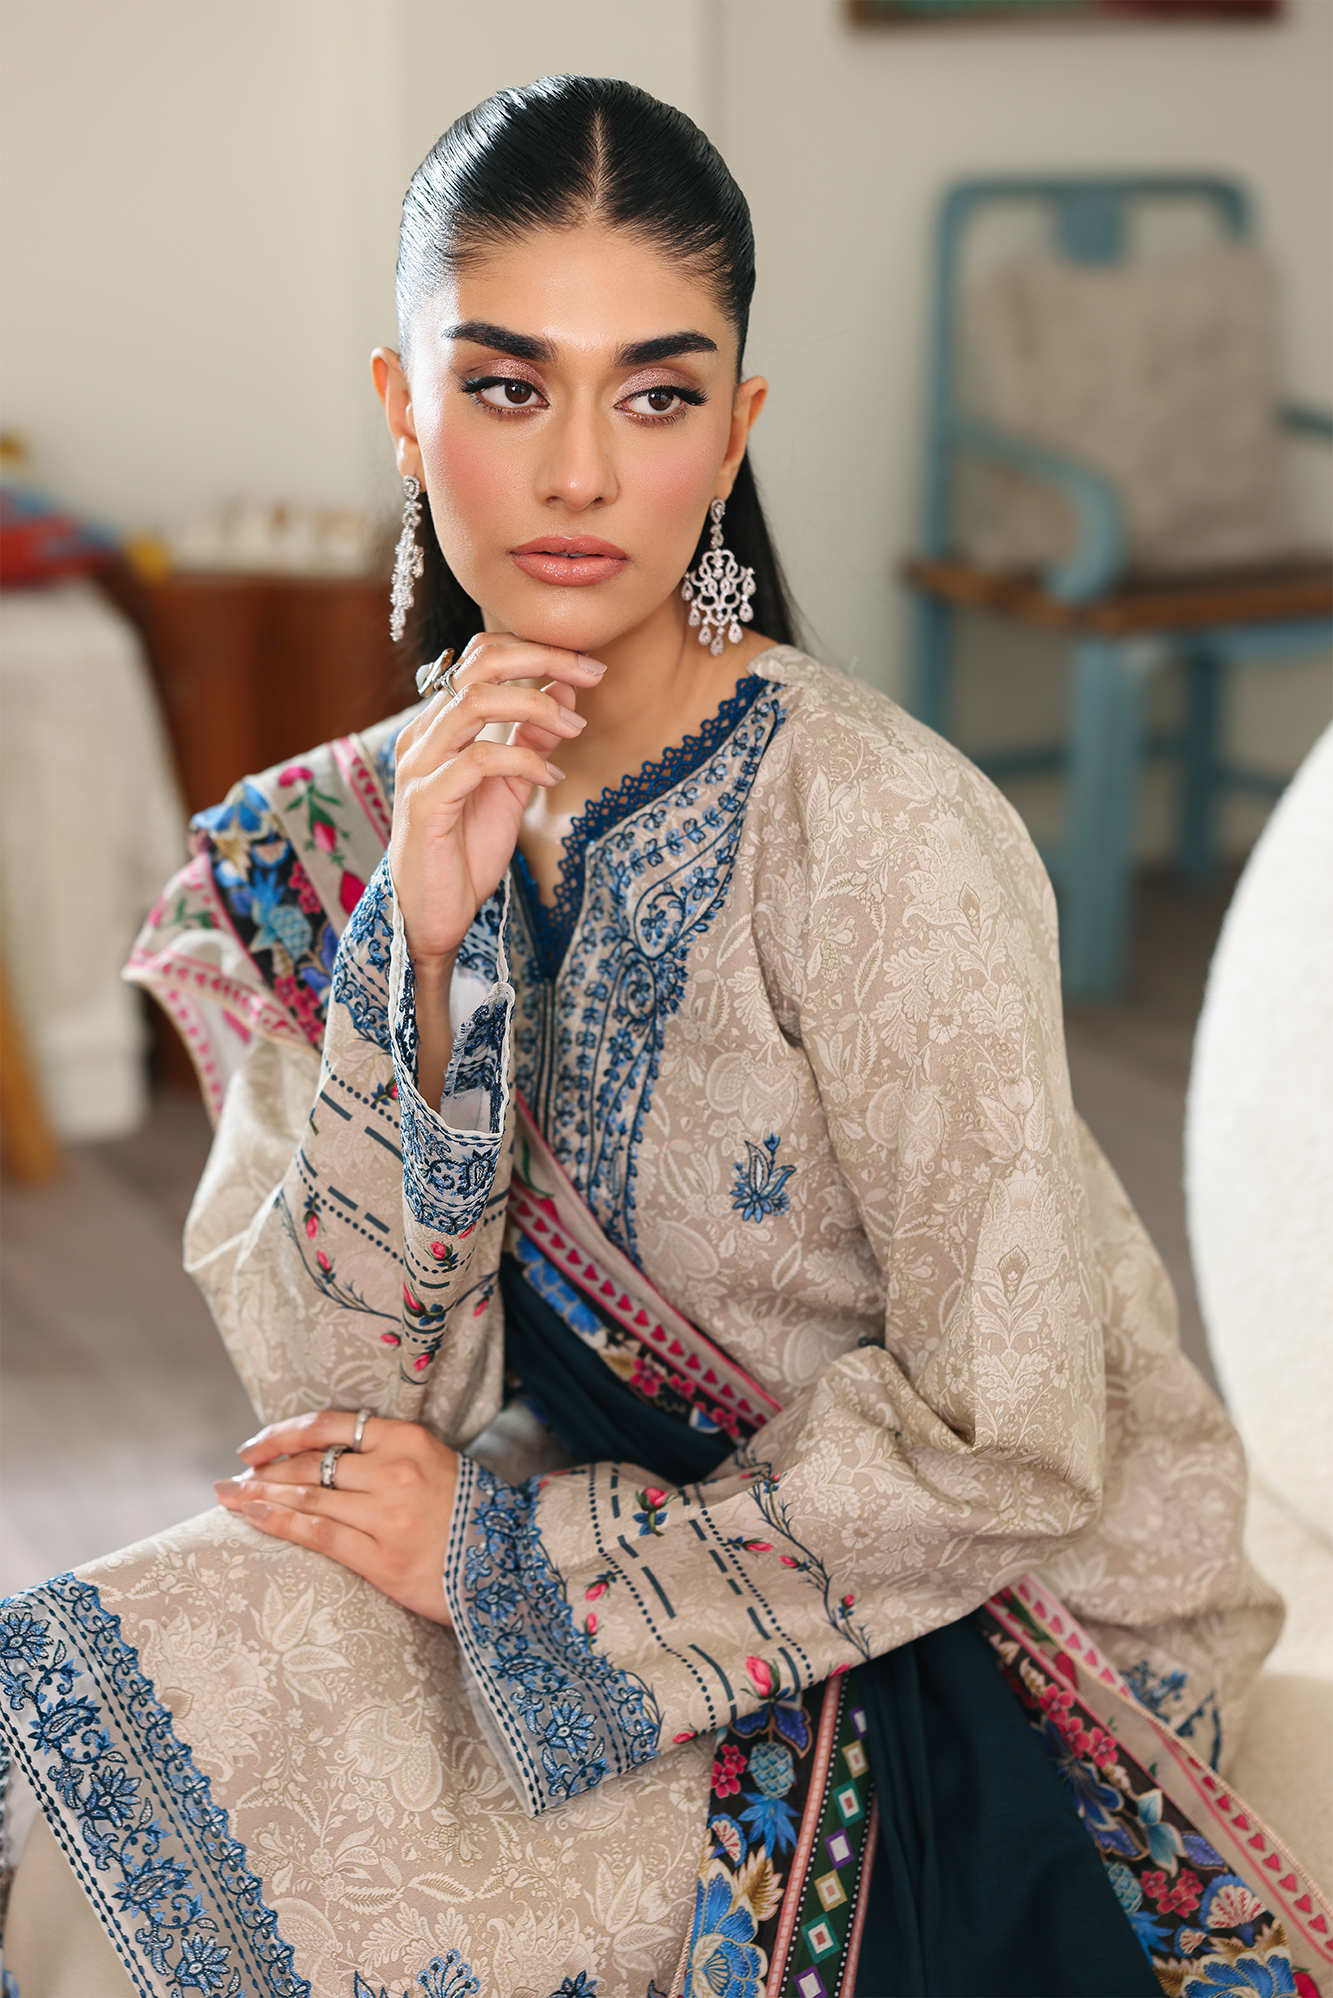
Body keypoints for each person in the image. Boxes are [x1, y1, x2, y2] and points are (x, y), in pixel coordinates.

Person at [1, 75, 1325, 1998]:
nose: (575, 476)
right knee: (80, 1703)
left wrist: (512, 1566)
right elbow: (342, 1408)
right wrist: (420, 951)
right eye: (507, 387)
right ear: (402, 408)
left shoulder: (879, 835)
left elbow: (1020, 1442)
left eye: (654, 396)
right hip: (561, 1501)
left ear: (733, 433)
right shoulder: (340, 835)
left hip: (979, 1623)